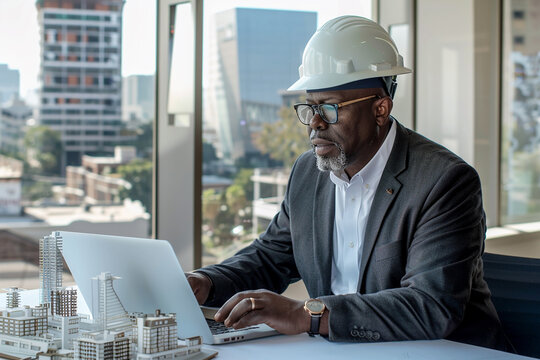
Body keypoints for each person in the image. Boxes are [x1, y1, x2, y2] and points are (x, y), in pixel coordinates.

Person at [187, 15, 507, 350]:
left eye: (329, 108)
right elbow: (271, 256)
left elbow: (430, 305)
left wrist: (309, 315)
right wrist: (205, 282)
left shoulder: (444, 181)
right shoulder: (308, 172)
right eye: (309, 108)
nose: (314, 124)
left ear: (380, 109)